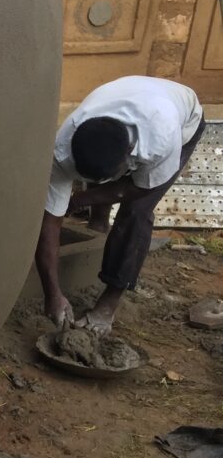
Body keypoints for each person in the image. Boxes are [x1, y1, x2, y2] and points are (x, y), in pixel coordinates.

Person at [35, 76, 204, 335]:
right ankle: (99, 227)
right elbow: (49, 222)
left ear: (131, 152)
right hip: (130, 100)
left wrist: (78, 200)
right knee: (94, 185)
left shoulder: (160, 140)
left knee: (137, 212)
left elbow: (135, 189)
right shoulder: (64, 147)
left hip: (184, 118)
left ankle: (108, 303)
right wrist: (53, 295)